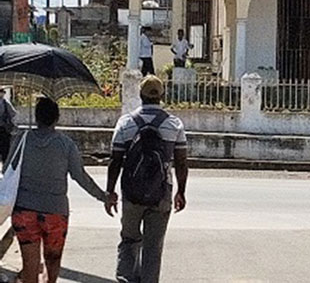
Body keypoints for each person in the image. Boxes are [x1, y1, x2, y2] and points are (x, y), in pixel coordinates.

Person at [8, 97, 113, 283]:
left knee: (30, 263)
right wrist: (103, 196)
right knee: (53, 261)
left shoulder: (21, 140)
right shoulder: (66, 144)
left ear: (36, 117)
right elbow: (81, 177)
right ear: (57, 118)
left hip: (24, 210)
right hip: (55, 212)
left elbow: (7, 169)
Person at [106, 75, 188, 283]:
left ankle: (125, 279)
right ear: (162, 96)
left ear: (140, 95)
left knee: (129, 241)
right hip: (162, 194)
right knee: (153, 247)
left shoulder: (125, 123)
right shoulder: (174, 124)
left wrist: (110, 192)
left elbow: (115, 161)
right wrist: (181, 192)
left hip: (131, 194)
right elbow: (181, 163)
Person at [0, 88, 17, 163]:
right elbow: (13, 114)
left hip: (4, 129)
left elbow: (13, 114)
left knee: (5, 151)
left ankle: (5, 166)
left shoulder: (5, 102)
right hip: (3, 129)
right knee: (5, 151)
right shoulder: (5, 102)